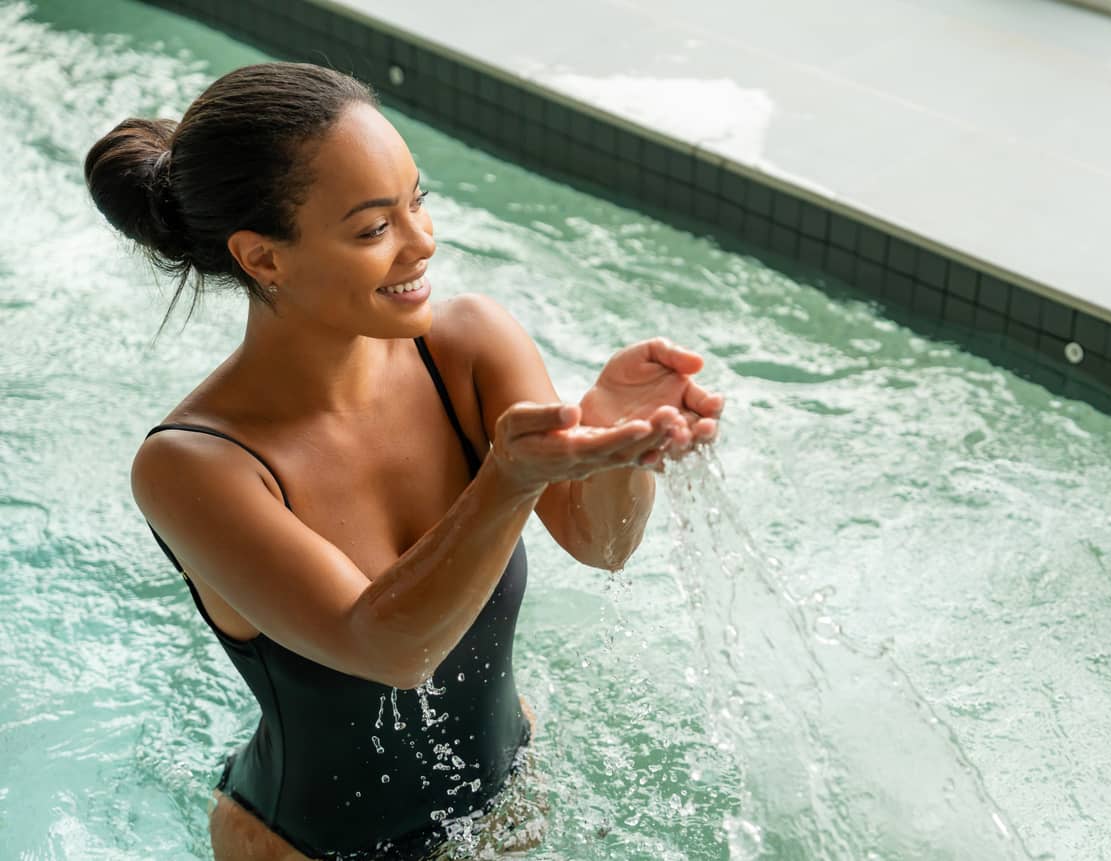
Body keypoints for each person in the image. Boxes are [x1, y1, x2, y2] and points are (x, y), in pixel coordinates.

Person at [83, 62, 723, 861]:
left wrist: (618, 440)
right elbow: (388, 649)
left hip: (505, 808)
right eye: (372, 228)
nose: (422, 242)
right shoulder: (194, 466)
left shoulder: (467, 347)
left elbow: (605, 544)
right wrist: (507, 479)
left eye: (418, 200)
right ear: (263, 258)